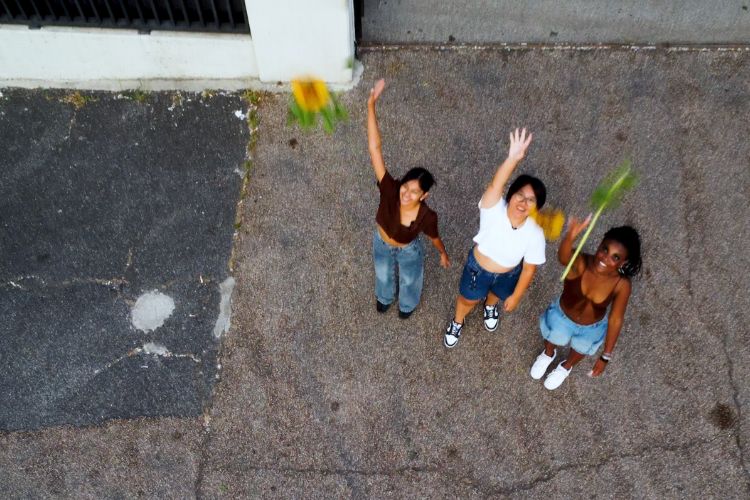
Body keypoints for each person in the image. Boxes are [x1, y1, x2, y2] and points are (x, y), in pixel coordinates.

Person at [444, 128, 546, 348]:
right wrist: (512, 159)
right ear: (511, 195)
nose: (523, 202)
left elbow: (529, 269)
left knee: (496, 294)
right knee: (467, 299)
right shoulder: (493, 207)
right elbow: (495, 185)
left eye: (531, 200)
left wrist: (517, 295)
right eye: (520, 195)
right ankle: (457, 321)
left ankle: (490, 307)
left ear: (536, 207)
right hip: (477, 269)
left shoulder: (536, 233)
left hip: (509, 274)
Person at [367, 79, 451, 318]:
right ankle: (384, 297)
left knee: (410, 278)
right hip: (381, 243)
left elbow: (434, 237)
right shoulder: (390, 189)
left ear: (424, 195)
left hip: (408, 250)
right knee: (382, 273)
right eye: (406, 186)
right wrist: (371, 106)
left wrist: (443, 253)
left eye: (415, 191)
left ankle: (407, 305)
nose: (407, 193)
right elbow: (375, 148)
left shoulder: (427, 216)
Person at [530, 222, 642, 390]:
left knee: (581, 348)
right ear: (600, 243)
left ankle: (566, 367)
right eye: (605, 249)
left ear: (623, 263)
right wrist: (570, 236)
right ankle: (548, 354)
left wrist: (605, 356)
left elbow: (616, 319)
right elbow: (563, 258)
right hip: (562, 316)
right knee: (553, 336)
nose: (606, 258)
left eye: (615, 257)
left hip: (592, 328)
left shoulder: (621, 284)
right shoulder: (581, 261)